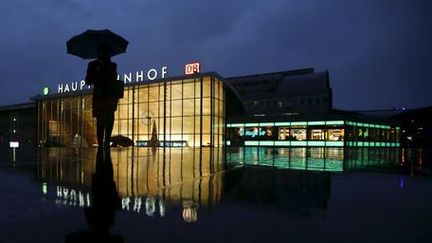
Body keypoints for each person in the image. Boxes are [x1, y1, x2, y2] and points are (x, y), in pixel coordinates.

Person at [85, 43, 118, 147]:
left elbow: (113, 79)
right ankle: (100, 144)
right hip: (99, 95)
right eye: (103, 52)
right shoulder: (93, 64)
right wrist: (97, 70)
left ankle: (107, 141)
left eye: (107, 53)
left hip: (110, 95)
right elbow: (88, 81)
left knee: (109, 119)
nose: (105, 54)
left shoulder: (112, 65)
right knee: (100, 120)